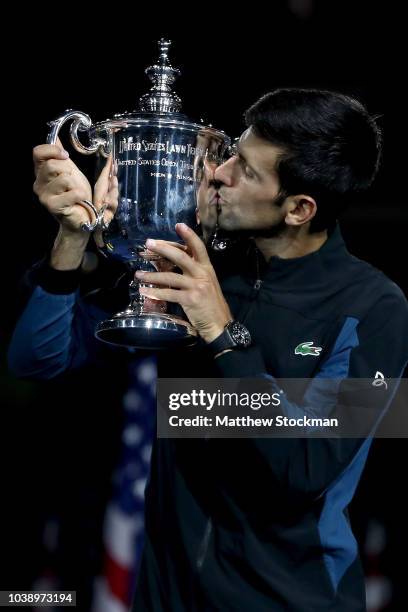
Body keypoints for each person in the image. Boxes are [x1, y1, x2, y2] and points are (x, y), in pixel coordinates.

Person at [8, 89, 408, 611]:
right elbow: (37, 360)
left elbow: (305, 468)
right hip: (163, 595)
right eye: (232, 153)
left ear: (298, 209)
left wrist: (223, 335)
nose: (217, 173)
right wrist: (70, 239)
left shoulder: (377, 308)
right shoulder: (195, 267)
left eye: (245, 169)